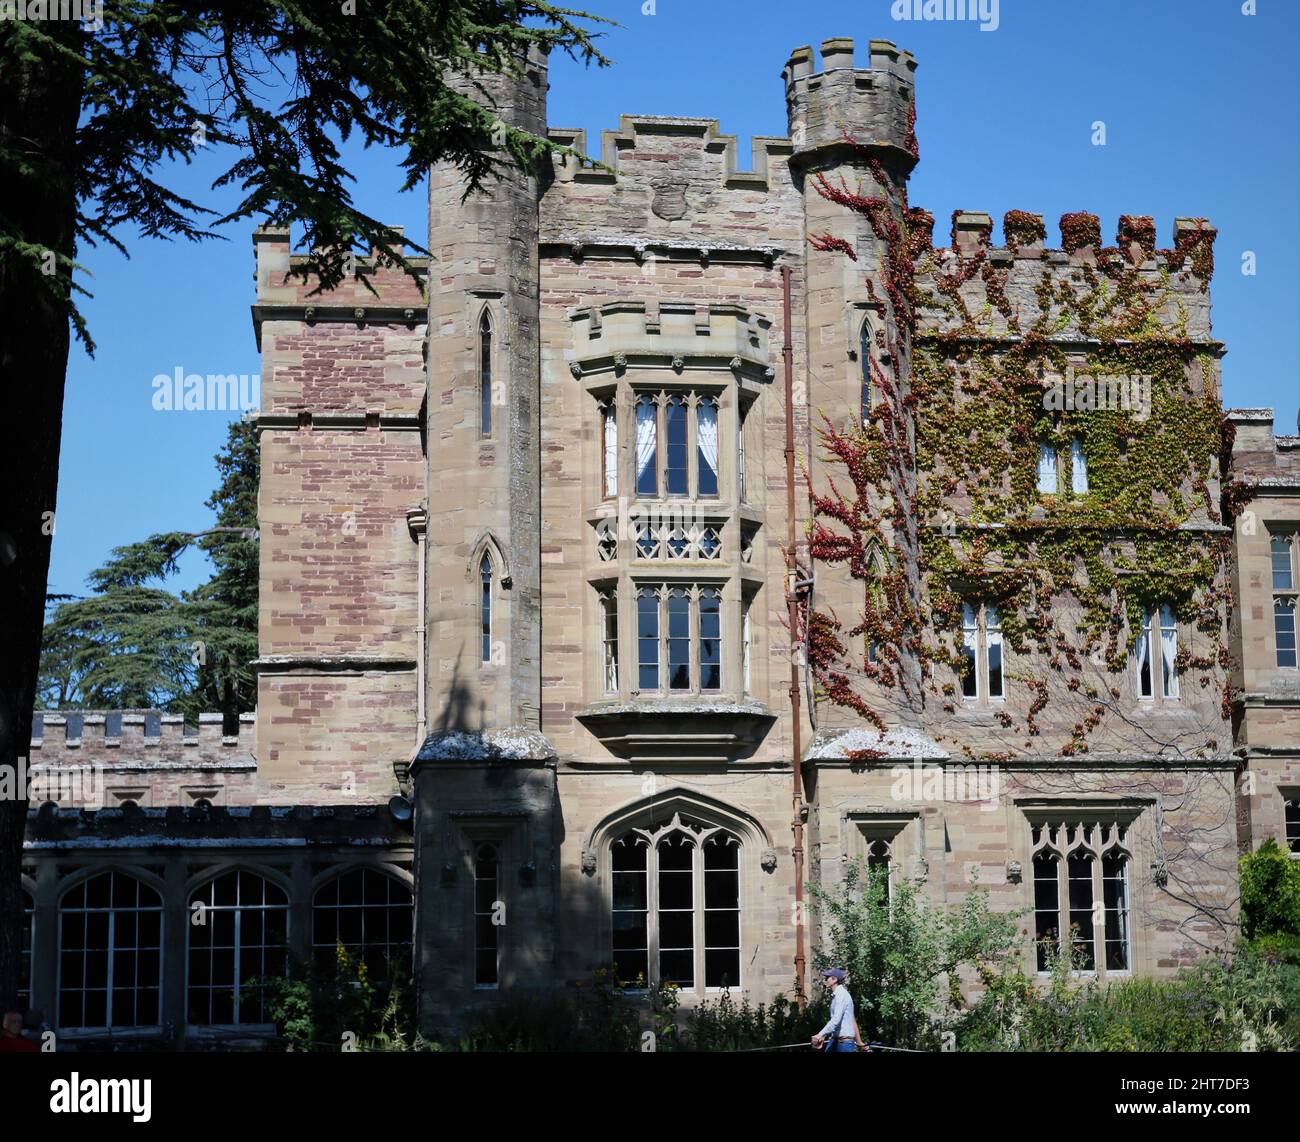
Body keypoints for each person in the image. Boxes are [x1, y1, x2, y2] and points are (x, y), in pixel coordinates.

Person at [811, 968, 858, 1052]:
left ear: (835, 979)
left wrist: (820, 1034)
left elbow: (836, 1020)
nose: (825, 980)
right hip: (835, 1040)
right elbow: (835, 1021)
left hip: (844, 1044)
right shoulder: (836, 995)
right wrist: (823, 1036)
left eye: (827, 978)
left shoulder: (841, 995)